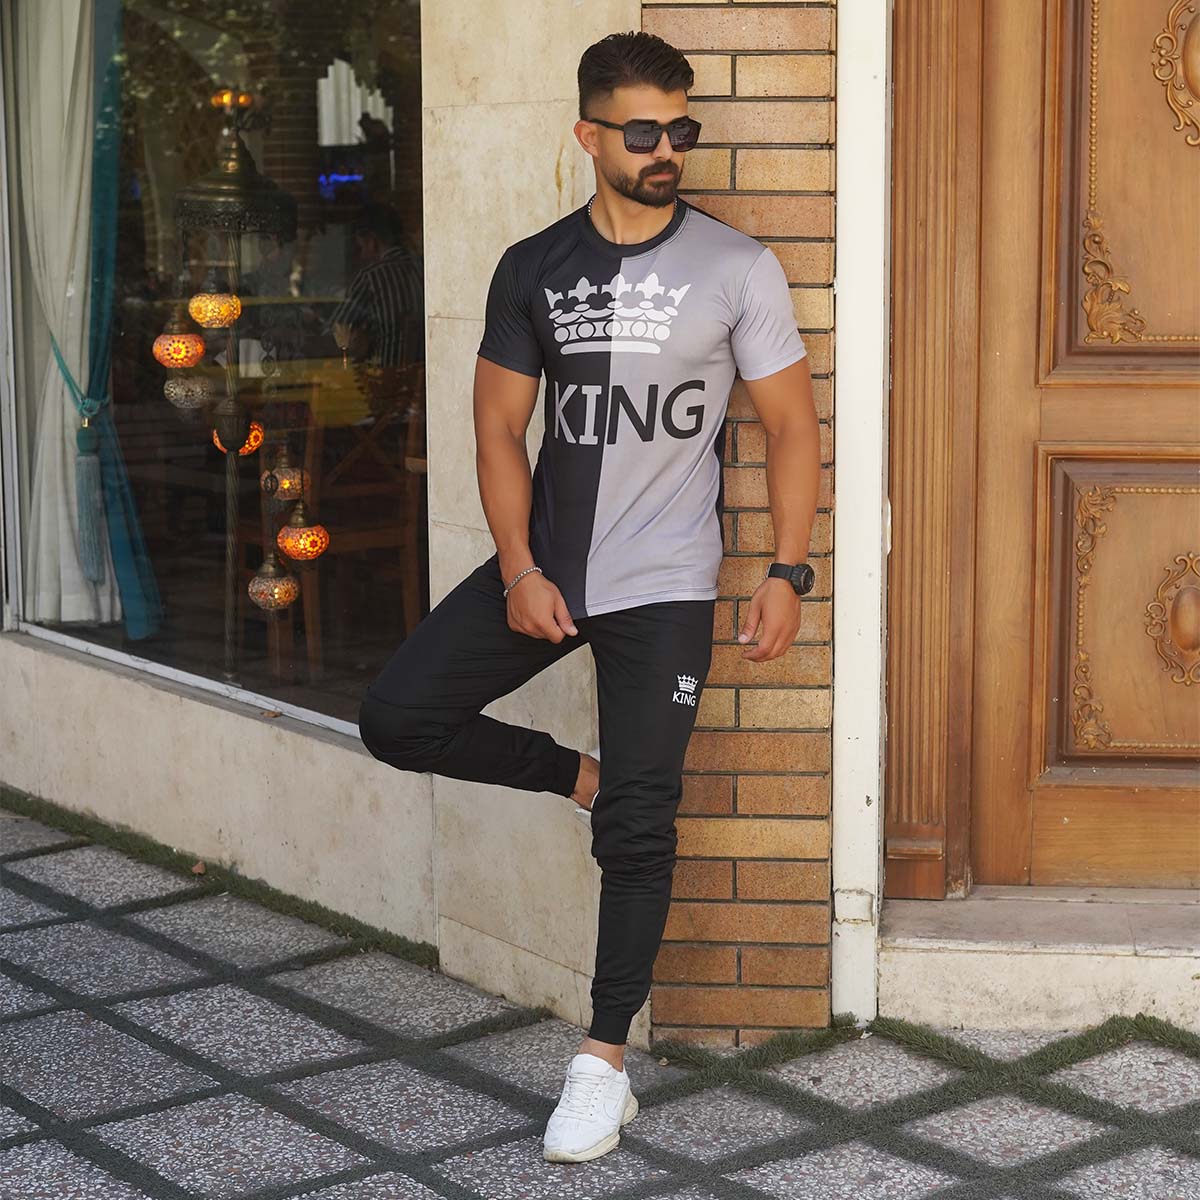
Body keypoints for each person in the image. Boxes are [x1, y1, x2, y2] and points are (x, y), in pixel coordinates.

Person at [357, 30, 819, 1164]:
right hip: (553, 567)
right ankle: (586, 779)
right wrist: (519, 567)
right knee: (398, 716)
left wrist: (787, 569)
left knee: (642, 829)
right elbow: (498, 430)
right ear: (589, 135)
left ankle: (601, 1065)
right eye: (644, 130)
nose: (668, 150)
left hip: (666, 583)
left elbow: (790, 427)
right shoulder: (535, 267)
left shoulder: (738, 267)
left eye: (682, 129)